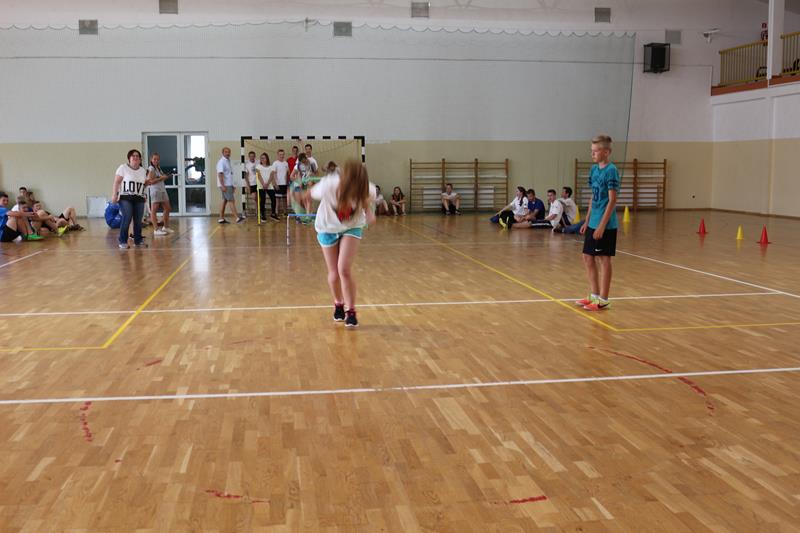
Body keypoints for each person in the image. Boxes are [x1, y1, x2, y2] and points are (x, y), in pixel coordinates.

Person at [308, 159, 376, 328]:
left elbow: (365, 201)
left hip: (351, 227)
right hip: (327, 227)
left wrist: (369, 212)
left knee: (343, 269)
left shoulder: (368, 189)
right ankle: (338, 303)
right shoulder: (329, 185)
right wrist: (297, 195)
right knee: (334, 273)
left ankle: (351, 311)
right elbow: (309, 194)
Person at [577, 134, 620, 311]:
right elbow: (593, 197)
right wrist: (587, 220)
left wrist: (602, 225)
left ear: (606, 152)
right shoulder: (593, 169)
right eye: (592, 151)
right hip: (593, 221)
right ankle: (594, 295)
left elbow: (612, 200)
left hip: (606, 224)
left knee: (604, 259)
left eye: (595, 151)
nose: (592, 154)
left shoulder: (611, 170)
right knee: (587, 257)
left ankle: (603, 299)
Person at [112, 149, 154, 249]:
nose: (135, 157)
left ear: (140, 159)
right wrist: (114, 195)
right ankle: (123, 241)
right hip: (125, 198)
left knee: (138, 221)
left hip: (139, 198)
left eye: (137, 156)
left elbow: (143, 184)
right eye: (133, 156)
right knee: (127, 217)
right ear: (129, 158)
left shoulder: (142, 171)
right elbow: (116, 182)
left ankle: (138, 240)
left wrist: (148, 183)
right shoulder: (123, 168)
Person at [147, 152, 173, 236]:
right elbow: (151, 181)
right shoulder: (151, 168)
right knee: (154, 210)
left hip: (162, 190)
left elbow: (160, 178)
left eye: (157, 159)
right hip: (156, 191)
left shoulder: (158, 168)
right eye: (154, 159)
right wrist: (161, 178)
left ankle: (165, 227)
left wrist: (165, 176)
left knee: (168, 208)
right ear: (151, 160)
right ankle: (156, 229)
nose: (156, 161)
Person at [217, 147, 244, 224]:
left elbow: (229, 174)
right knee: (231, 200)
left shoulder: (228, 161)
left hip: (228, 184)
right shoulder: (221, 162)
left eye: (229, 152)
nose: (228, 153)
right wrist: (222, 186)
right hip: (225, 185)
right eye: (226, 152)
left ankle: (221, 218)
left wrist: (233, 184)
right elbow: (220, 174)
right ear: (223, 153)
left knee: (224, 201)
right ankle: (237, 218)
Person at [255, 152, 276, 222]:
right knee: (262, 200)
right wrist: (263, 184)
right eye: (261, 158)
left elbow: (271, 176)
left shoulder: (271, 167)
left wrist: (267, 184)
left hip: (269, 186)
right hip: (261, 186)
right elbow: (259, 175)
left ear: (267, 159)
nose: (262, 159)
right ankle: (263, 215)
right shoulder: (258, 166)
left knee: (273, 199)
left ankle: (273, 214)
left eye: (264, 158)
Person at [243, 151, 258, 218]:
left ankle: (258, 212)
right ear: (249, 157)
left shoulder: (258, 163)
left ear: (255, 156)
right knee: (254, 198)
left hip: (258, 183)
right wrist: (248, 185)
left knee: (258, 198)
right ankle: (256, 211)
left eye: (253, 156)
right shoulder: (247, 165)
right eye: (250, 156)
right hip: (252, 183)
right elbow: (246, 176)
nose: (252, 157)